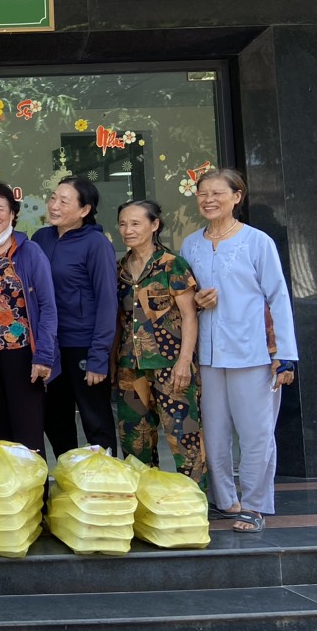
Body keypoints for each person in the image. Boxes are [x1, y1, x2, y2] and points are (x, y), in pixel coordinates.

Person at [180, 169, 298, 533]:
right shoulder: (190, 245)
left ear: (237, 197)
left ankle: (255, 505)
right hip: (208, 355)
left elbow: (278, 296)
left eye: (217, 193)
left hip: (253, 353)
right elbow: (184, 299)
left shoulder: (257, 241)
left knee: (256, 433)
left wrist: (286, 354)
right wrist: (197, 301)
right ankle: (225, 500)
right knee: (214, 434)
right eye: (203, 193)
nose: (209, 200)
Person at [114, 200, 206, 485]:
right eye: (123, 224)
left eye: (135, 223)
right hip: (130, 368)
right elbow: (117, 321)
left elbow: (190, 316)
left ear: (154, 225)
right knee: (134, 439)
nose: (128, 230)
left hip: (171, 365)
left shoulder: (172, 265)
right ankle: (146, 500)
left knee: (184, 437)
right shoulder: (119, 269)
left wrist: (184, 362)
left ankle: (195, 501)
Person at [0, 183, 59, 453]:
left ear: (13, 213)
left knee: (27, 437)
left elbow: (48, 307)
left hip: (23, 357)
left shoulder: (29, 252)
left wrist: (44, 356)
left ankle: (33, 483)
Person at [32, 176, 119, 457]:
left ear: (84, 210)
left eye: (63, 201)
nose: (54, 205)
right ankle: (68, 476)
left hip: (83, 345)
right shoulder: (40, 239)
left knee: (96, 420)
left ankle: (104, 478)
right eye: (53, 198)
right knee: (55, 420)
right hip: (50, 346)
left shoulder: (96, 243)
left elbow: (107, 302)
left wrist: (99, 355)